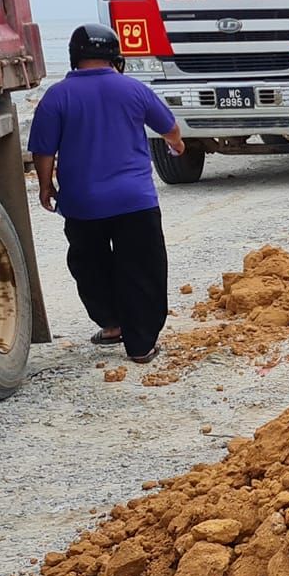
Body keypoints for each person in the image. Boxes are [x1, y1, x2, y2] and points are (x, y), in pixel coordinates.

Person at [27, 24, 185, 363]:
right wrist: (177, 144)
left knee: (90, 265)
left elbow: (43, 149)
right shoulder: (133, 89)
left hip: (82, 202)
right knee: (142, 267)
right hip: (135, 201)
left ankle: (112, 325)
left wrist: (45, 186)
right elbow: (169, 127)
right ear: (116, 57)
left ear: (74, 57)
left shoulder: (57, 96)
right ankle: (141, 345)